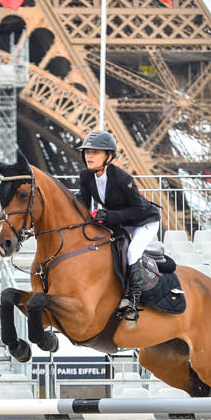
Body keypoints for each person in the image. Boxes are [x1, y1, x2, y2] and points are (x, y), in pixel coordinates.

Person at [76, 130, 160, 323]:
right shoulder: (86, 176)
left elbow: (138, 209)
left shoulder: (123, 178)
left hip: (144, 221)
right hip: (120, 222)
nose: (89, 156)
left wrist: (109, 216)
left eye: (95, 152)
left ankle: (133, 302)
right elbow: (82, 203)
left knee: (132, 253)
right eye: (87, 151)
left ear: (109, 156)